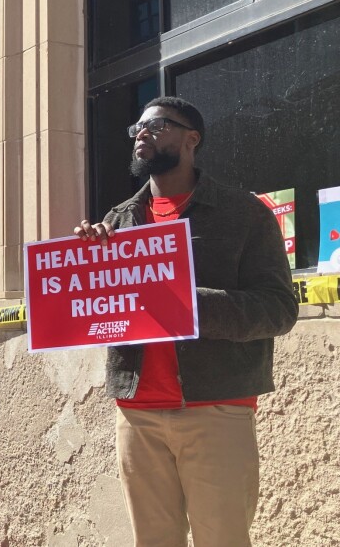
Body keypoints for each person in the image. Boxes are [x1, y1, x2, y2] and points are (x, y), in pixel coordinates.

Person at [74, 96, 298, 546]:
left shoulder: (245, 214)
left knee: (224, 540)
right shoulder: (118, 222)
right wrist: (88, 263)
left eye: (156, 125)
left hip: (216, 406)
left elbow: (279, 308)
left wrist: (188, 305)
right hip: (137, 412)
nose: (141, 132)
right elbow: (101, 309)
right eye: (136, 126)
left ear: (191, 139)